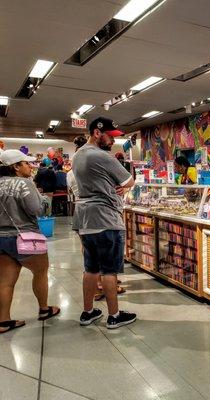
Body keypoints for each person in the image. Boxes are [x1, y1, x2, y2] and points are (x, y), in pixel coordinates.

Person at [72, 117, 136, 329]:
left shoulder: (78, 155)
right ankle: (114, 315)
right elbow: (129, 181)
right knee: (109, 271)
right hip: (106, 218)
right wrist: (121, 187)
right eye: (110, 137)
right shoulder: (102, 156)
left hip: (84, 219)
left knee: (91, 268)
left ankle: (88, 312)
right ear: (97, 133)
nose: (113, 142)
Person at [0, 150, 60, 334]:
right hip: (25, 237)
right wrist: (44, 200)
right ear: (16, 167)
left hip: (2, 238)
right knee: (40, 272)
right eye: (26, 163)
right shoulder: (24, 183)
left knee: (5, 282)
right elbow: (37, 209)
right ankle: (44, 308)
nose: (30, 166)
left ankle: (3, 320)